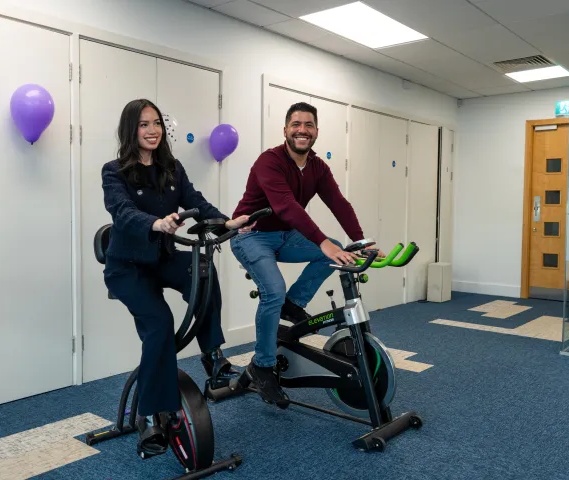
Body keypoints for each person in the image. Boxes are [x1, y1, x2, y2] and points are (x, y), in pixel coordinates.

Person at [101, 98, 252, 454]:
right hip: (128, 268)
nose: (152, 131)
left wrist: (226, 222)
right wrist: (155, 222)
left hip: (163, 258)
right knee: (160, 325)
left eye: (156, 124)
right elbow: (121, 212)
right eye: (143, 125)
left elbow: (195, 200)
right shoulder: (114, 171)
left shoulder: (172, 168)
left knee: (203, 274)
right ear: (130, 130)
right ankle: (151, 418)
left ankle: (212, 357)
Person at [230, 102, 383, 408]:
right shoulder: (268, 161)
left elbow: (339, 203)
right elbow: (286, 206)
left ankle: (293, 304)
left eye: (309, 125)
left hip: (286, 236)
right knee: (273, 289)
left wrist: (360, 241)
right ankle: (262, 366)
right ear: (285, 130)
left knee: (336, 249)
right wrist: (323, 242)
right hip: (252, 236)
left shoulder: (317, 167)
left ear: (316, 132)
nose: (302, 130)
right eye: (296, 124)